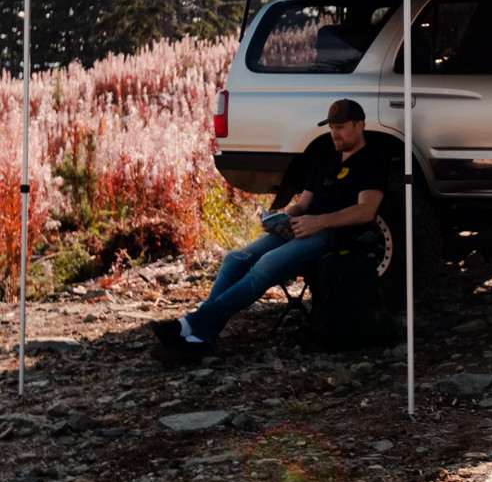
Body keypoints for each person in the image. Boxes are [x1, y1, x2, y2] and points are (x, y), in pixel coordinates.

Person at [150, 98, 388, 363]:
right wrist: (279, 217)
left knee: (265, 265)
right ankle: (201, 338)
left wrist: (319, 222)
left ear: (360, 125)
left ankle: (191, 326)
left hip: (332, 235)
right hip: (301, 227)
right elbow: (303, 205)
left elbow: (366, 210)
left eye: (341, 127)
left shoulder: (372, 162)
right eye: (331, 127)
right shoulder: (327, 161)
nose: (335, 133)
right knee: (234, 259)